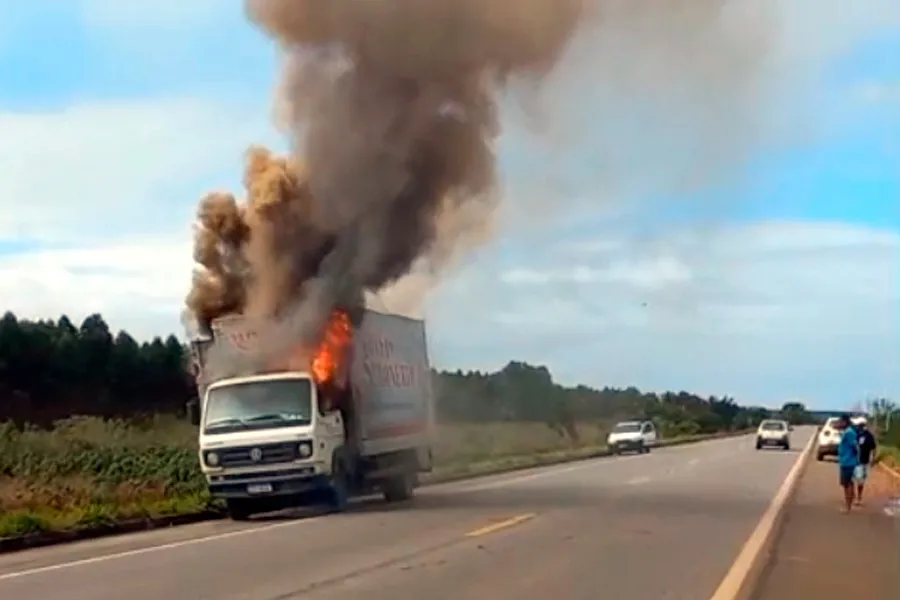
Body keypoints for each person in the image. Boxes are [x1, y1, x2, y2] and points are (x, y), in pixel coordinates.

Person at [836, 413, 859, 513]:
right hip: (846, 461)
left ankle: (848, 507)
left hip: (848, 462)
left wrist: (856, 458)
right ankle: (849, 503)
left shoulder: (849, 433)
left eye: (840, 422)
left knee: (847, 484)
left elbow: (855, 446)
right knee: (847, 484)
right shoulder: (847, 432)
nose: (839, 423)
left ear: (845, 422)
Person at [852, 416, 877, 506]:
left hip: (863, 461)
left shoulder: (868, 436)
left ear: (862, 425)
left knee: (860, 480)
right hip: (853, 460)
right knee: (853, 479)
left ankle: (858, 497)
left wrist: (873, 459)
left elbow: (873, 448)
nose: (857, 426)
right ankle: (853, 496)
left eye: (858, 425)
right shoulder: (855, 434)